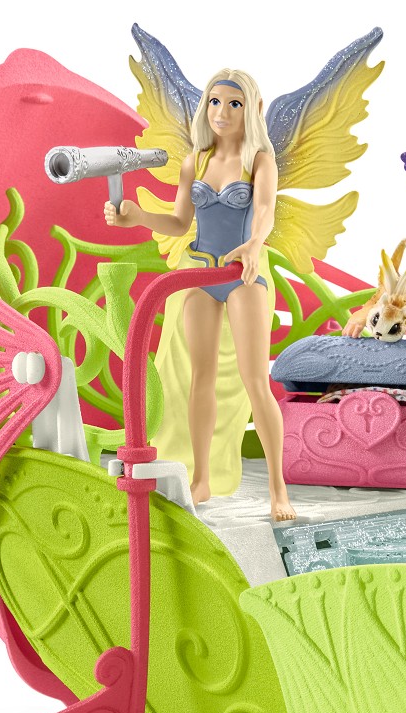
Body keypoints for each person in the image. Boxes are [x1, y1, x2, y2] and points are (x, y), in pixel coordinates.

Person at [105, 69, 296, 522]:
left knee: (255, 381)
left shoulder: (260, 162)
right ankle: (201, 476)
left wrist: (254, 245)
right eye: (215, 101)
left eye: (234, 103)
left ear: (252, 109)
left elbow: (265, 211)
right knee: (200, 377)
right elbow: (178, 222)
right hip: (199, 274)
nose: (222, 112)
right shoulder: (196, 160)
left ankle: (278, 487)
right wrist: (138, 217)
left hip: (242, 274)